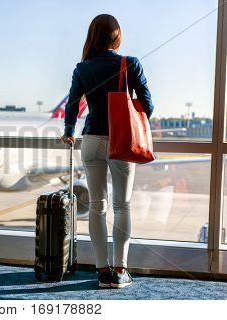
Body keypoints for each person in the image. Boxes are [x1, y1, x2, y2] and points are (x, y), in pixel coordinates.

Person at [61, 14, 154, 288]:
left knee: (97, 207)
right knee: (122, 205)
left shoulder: (82, 68)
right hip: (121, 141)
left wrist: (69, 132)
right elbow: (147, 104)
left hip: (90, 141)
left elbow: (72, 107)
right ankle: (120, 271)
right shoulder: (130, 64)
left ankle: (102, 272)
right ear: (116, 37)